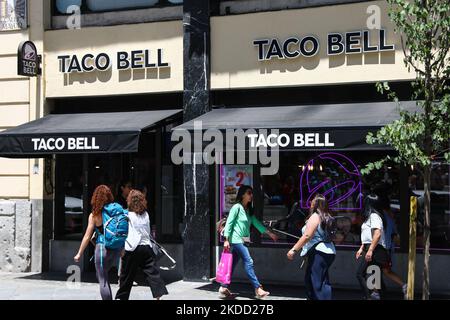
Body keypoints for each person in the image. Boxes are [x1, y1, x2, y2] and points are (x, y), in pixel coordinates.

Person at [218, 185, 278, 299]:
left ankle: (223, 287)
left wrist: (270, 234)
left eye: (251, 193)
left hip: (243, 241)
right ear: (242, 195)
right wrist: (226, 240)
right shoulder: (237, 207)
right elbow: (229, 223)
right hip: (236, 240)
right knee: (249, 261)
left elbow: (256, 223)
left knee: (232, 264)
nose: (251, 195)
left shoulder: (248, 210)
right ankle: (258, 288)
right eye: (249, 193)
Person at [74, 185, 125, 300]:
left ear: (95, 197)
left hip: (102, 249)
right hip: (116, 249)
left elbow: (87, 236)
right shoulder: (116, 211)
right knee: (104, 277)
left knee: (102, 279)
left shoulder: (94, 215)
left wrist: (79, 253)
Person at [116, 190, 168, 300]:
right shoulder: (146, 215)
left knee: (127, 275)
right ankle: (158, 296)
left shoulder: (127, 214)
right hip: (146, 246)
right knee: (152, 272)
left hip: (132, 248)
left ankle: (121, 297)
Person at [355, 194, 407, 300]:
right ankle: (376, 294)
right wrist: (362, 247)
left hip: (375, 248)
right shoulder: (370, 216)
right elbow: (367, 236)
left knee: (361, 274)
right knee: (375, 272)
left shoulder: (374, 216)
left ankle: (370, 296)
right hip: (372, 248)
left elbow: (377, 234)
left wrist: (369, 250)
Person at [287, 194, 336, 300]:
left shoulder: (315, 216)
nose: (310, 203)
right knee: (319, 280)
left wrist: (294, 249)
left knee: (316, 283)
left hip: (318, 252)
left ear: (316, 204)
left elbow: (307, 236)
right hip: (329, 251)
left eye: (312, 201)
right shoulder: (326, 216)